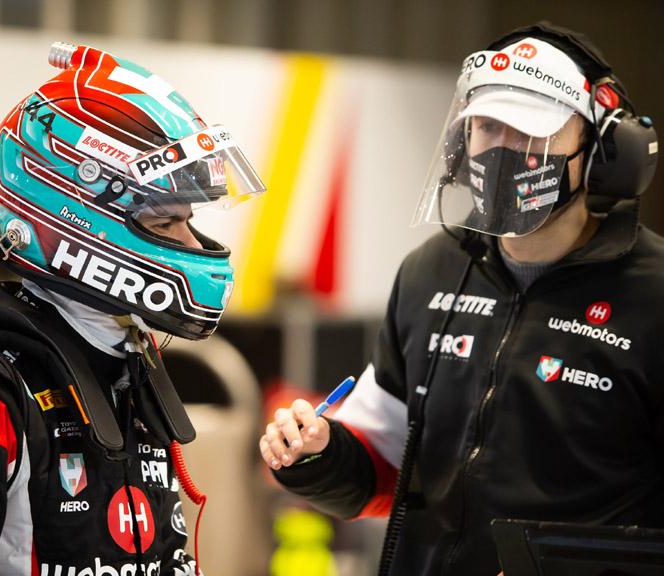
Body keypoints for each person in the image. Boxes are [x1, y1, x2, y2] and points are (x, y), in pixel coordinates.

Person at [259, 22, 662, 576]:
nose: (502, 151)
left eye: (530, 134)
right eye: (488, 127)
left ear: (601, 152)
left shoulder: (654, 293)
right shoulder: (431, 271)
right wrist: (317, 455)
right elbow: (381, 467)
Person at [0, 42, 265, 576]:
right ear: (71, 215)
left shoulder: (126, 365)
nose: (193, 246)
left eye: (187, 219)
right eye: (163, 222)